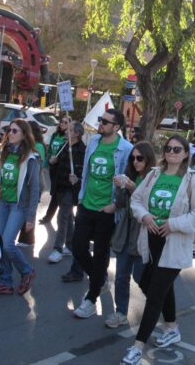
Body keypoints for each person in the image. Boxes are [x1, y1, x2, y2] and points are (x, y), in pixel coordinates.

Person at [120, 135, 195, 365]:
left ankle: (137, 347)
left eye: (177, 149)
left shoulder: (192, 181)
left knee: (155, 295)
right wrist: (146, 215)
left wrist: (174, 224)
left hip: (174, 245)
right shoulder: (153, 175)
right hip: (151, 242)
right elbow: (136, 201)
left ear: (186, 154)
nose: (171, 152)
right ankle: (172, 327)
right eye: (168, 148)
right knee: (152, 285)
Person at [72, 109, 133, 319]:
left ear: (116, 127)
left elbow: (126, 182)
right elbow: (86, 172)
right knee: (77, 247)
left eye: (106, 122)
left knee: (100, 253)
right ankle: (100, 280)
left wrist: (115, 205)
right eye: (101, 120)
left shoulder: (126, 149)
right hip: (86, 204)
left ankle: (91, 297)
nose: (101, 124)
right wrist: (81, 196)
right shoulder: (94, 141)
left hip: (106, 210)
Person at [0, 119, 40, 296]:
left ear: (24, 135)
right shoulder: (4, 152)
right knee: (0, 244)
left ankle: (27, 271)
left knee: (8, 244)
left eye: (15, 131)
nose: (10, 133)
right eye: (9, 130)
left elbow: (35, 190)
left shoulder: (31, 157)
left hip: (18, 206)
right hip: (3, 203)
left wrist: (31, 217)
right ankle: (5, 281)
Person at [106, 141, 156, 328]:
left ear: (148, 159)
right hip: (125, 233)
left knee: (140, 277)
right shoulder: (131, 176)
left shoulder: (153, 178)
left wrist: (132, 187)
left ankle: (158, 304)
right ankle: (121, 312)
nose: (136, 162)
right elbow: (120, 204)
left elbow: (147, 204)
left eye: (140, 158)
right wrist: (119, 187)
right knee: (121, 277)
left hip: (142, 236)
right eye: (133, 158)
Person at [47, 122, 86, 264]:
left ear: (77, 133)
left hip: (71, 189)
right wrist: (52, 162)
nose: (65, 132)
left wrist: (77, 178)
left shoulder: (83, 150)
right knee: (68, 216)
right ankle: (70, 245)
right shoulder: (64, 145)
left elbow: (84, 172)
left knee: (62, 216)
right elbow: (55, 165)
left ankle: (57, 249)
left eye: (69, 130)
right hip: (60, 186)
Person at [17, 121, 46, 246]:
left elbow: (40, 165)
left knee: (30, 210)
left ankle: (28, 239)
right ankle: (25, 238)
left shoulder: (38, 146)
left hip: (35, 183)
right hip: (27, 184)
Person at [38, 116, 70, 225]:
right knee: (55, 193)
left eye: (66, 122)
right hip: (52, 167)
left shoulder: (68, 138)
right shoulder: (55, 135)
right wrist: (47, 163)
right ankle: (68, 217)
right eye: (62, 121)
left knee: (56, 193)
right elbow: (50, 149)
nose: (63, 123)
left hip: (61, 168)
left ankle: (49, 217)